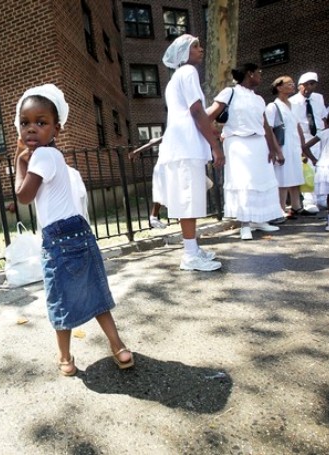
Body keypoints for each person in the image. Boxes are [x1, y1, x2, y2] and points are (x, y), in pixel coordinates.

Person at [13, 84, 133, 376]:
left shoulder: (41, 157)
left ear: (57, 128)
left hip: (57, 239)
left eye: (41, 123)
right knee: (96, 294)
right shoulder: (56, 158)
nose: (31, 129)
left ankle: (65, 357)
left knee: (59, 298)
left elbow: (23, 195)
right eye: (25, 123)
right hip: (79, 231)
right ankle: (118, 346)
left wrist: (18, 161)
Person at [158, 34, 225, 271]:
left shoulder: (177, 77)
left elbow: (195, 114)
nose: (201, 49)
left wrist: (211, 135)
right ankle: (189, 256)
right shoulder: (188, 72)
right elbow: (197, 111)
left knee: (191, 198)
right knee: (188, 200)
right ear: (183, 54)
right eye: (195, 46)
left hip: (183, 145)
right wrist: (215, 147)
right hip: (185, 147)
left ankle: (193, 249)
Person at [207, 63, 284, 240]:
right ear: (250, 74)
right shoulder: (230, 92)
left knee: (261, 181)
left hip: (258, 143)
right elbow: (209, 115)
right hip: (238, 143)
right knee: (244, 182)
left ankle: (260, 220)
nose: (261, 76)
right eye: (259, 73)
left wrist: (273, 149)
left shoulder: (259, 99)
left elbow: (265, 126)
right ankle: (245, 224)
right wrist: (215, 137)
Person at [265, 76, 316, 219]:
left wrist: (303, 147)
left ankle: (296, 206)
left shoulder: (294, 105)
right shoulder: (273, 107)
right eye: (288, 84)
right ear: (279, 87)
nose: (292, 86)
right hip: (283, 145)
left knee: (295, 176)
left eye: (293, 84)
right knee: (283, 178)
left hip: (294, 146)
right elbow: (269, 129)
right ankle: (280, 208)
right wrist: (277, 150)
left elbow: (298, 126)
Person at [290, 72, 327, 213]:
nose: (308, 87)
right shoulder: (292, 101)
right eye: (306, 84)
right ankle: (309, 201)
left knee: (321, 167)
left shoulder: (319, 98)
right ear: (300, 86)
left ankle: (322, 198)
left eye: (312, 84)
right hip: (304, 136)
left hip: (318, 136)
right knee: (307, 169)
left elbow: (323, 116)